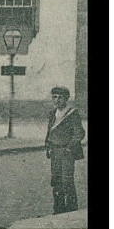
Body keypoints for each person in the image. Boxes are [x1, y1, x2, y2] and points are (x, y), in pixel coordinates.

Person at [45, 87, 84, 215]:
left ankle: (71, 209)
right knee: (56, 180)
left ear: (66, 99)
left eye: (60, 97)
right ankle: (58, 209)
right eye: (54, 97)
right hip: (55, 152)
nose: (57, 100)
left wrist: (69, 148)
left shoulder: (72, 113)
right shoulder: (52, 113)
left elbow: (79, 133)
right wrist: (48, 146)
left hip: (66, 152)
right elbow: (49, 131)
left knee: (67, 181)